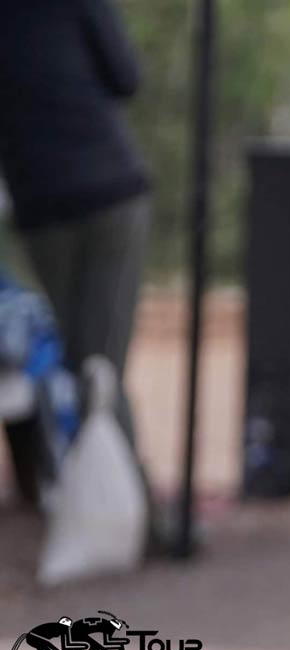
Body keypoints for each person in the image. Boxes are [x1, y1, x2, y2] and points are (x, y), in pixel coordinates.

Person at [0, 0, 151, 448]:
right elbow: (126, 77)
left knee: (87, 364)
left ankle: (111, 497)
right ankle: (126, 507)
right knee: (97, 367)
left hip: (45, 202)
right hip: (109, 193)